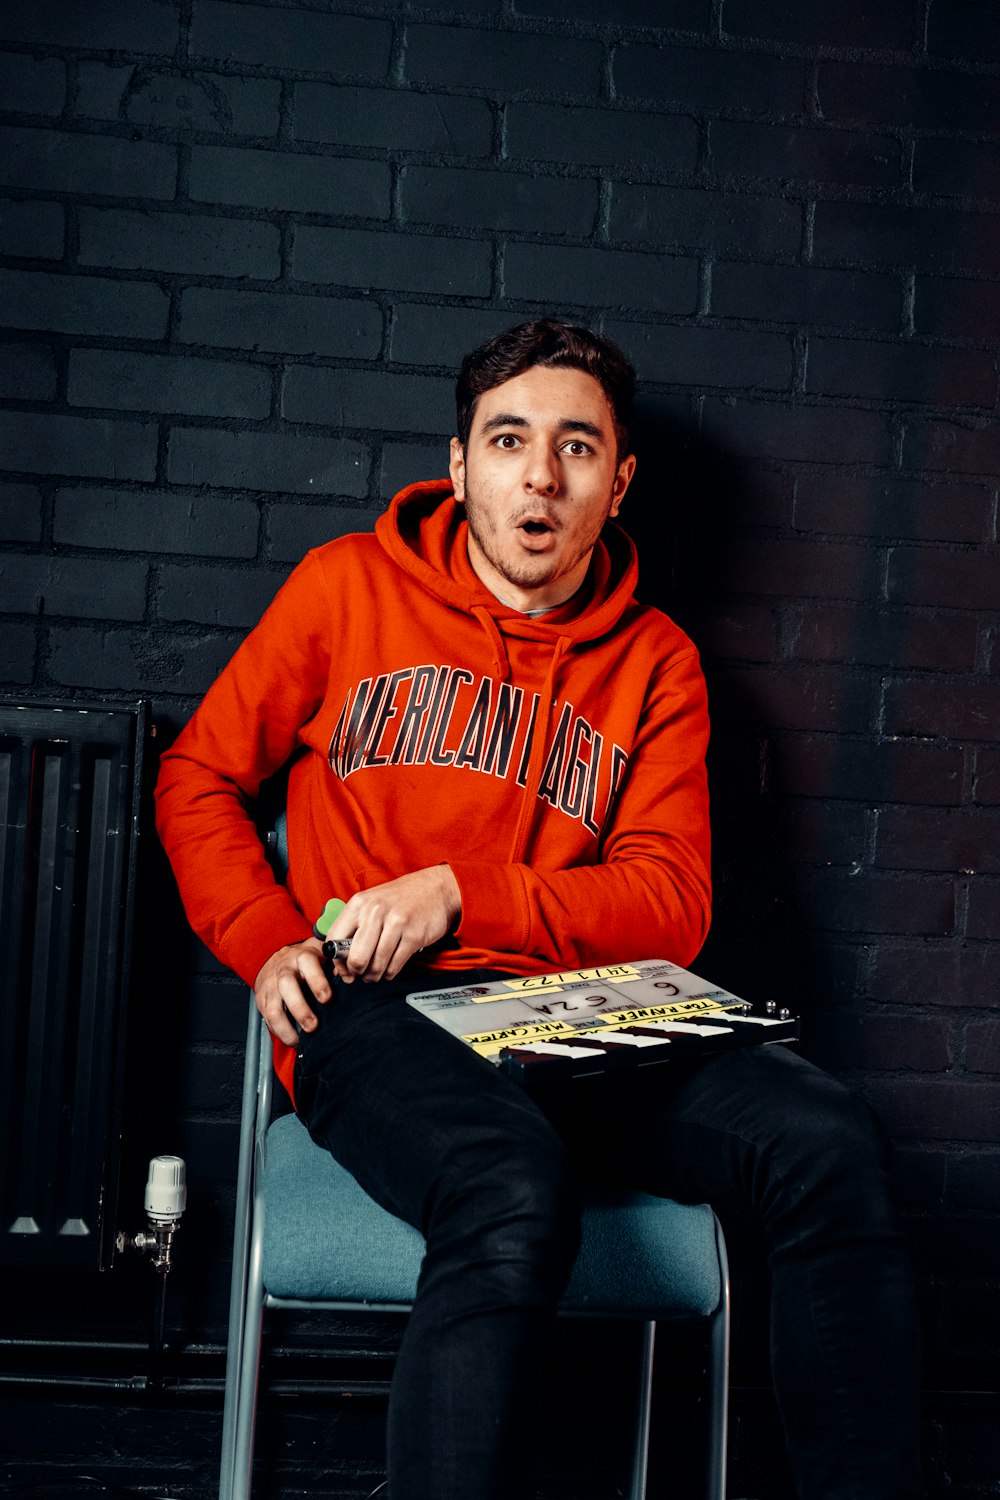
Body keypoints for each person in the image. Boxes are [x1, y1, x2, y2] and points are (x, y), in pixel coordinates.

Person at [155, 318, 923, 1500]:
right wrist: (265, 944)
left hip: (578, 1012)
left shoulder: (657, 662)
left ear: (616, 484)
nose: (539, 474)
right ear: (459, 463)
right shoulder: (344, 590)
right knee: (511, 1181)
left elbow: (672, 903)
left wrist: (466, 889)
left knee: (825, 1140)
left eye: (575, 447)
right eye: (509, 441)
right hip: (380, 1010)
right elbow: (197, 776)